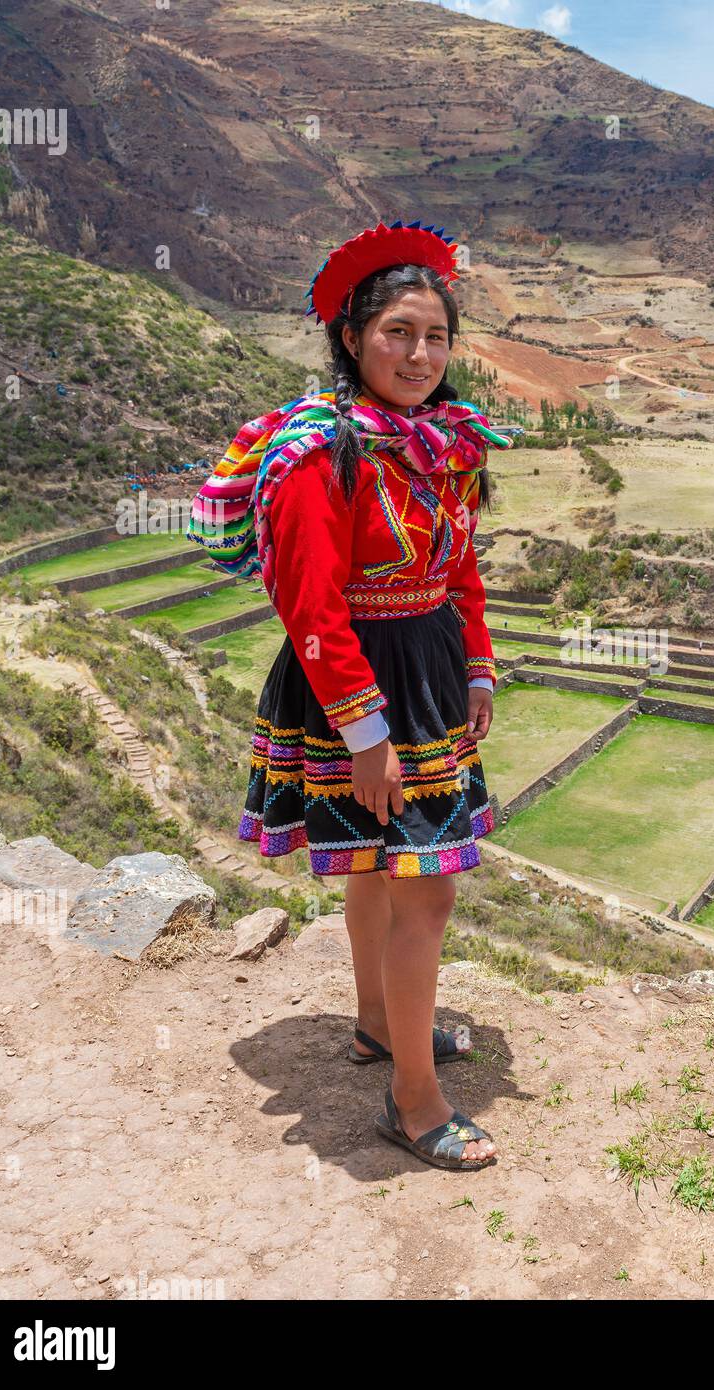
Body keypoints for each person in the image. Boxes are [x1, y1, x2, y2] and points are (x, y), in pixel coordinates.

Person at [187, 219, 511, 1171]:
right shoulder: (320, 453)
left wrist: (480, 666)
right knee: (427, 889)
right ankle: (414, 1102)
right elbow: (308, 601)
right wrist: (364, 733)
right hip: (356, 689)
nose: (419, 354)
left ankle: (379, 1024)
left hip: (430, 673)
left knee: (382, 868)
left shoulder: (443, 444)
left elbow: (461, 570)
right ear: (351, 340)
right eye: (397, 334)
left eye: (436, 337)